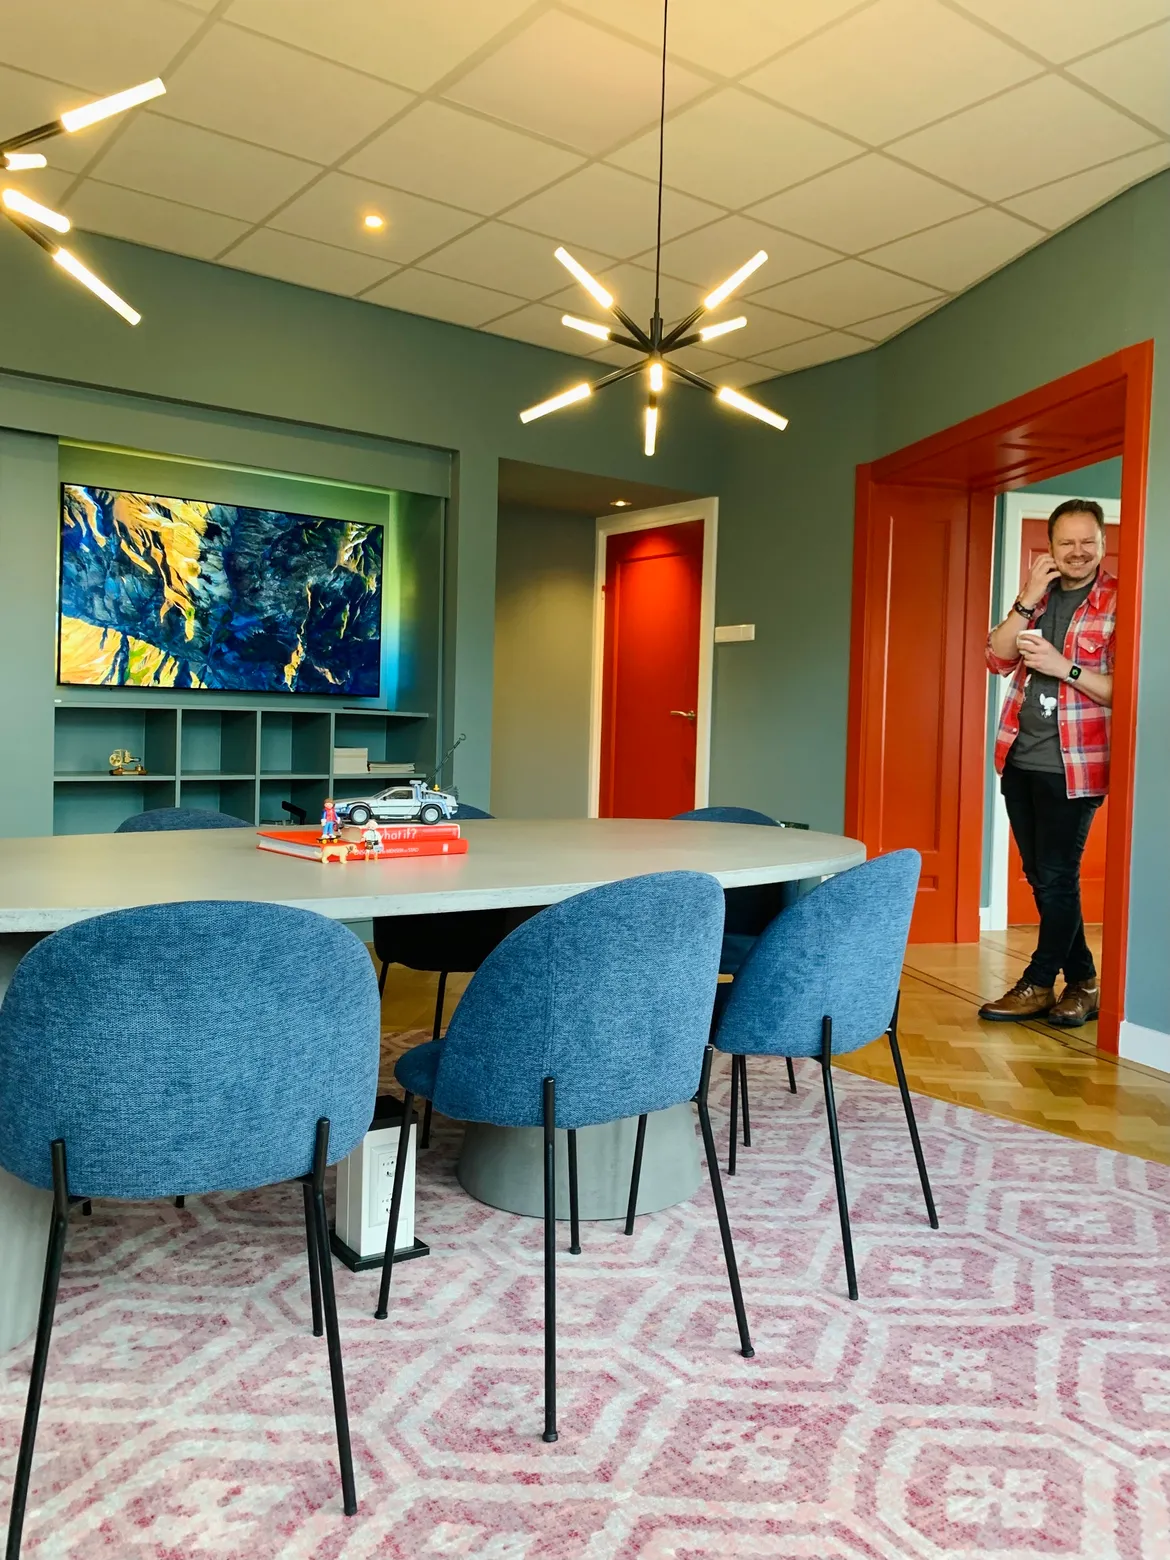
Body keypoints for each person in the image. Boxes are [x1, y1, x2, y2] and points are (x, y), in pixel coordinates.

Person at [980, 499, 1116, 1027]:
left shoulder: (1120, 601)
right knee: (1041, 876)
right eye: (1067, 542)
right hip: (1020, 757)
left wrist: (1066, 668)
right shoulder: (1038, 599)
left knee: (1056, 876)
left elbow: (1124, 689)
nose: (1078, 552)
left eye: (1088, 541)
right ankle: (1084, 982)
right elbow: (996, 657)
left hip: (1075, 766)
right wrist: (1025, 598)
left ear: (1102, 543)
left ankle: (1038, 983)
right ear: (1051, 547)